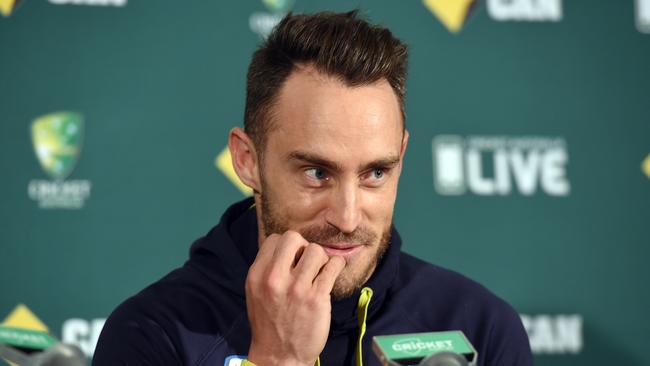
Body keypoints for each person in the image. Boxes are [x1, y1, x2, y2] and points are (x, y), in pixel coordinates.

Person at [93, 11, 533, 366]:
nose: (346, 217)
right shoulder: (154, 336)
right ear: (247, 160)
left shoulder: (479, 327)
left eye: (375, 173)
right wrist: (279, 359)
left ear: (401, 156)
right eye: (317, 173)